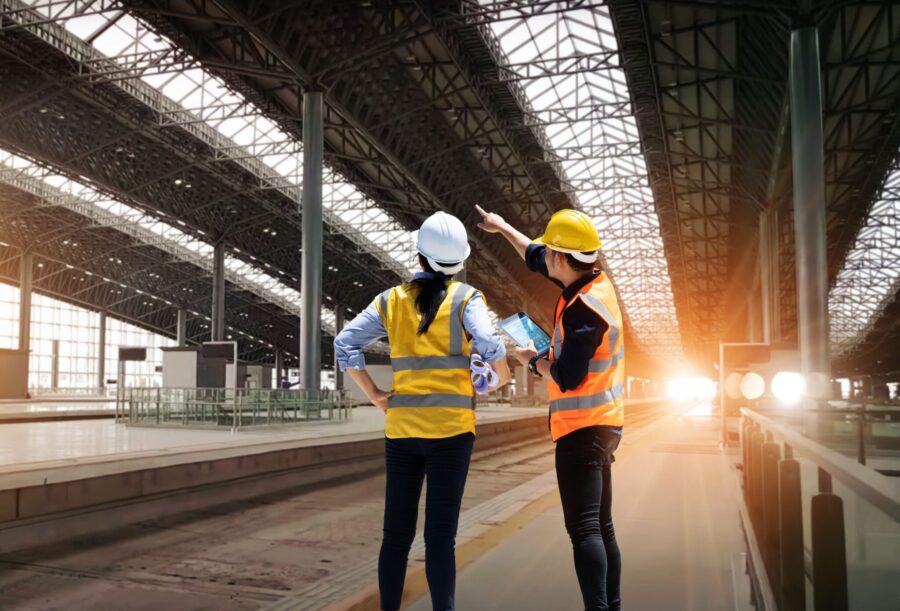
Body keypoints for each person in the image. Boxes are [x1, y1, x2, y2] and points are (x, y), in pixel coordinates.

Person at [334, 211, 510, 611]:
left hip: (402, 433)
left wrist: (376, 395)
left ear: (419, 257)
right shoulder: (467, 298)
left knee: (395, 536)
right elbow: (489, 341)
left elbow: (345, 343)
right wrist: (499, 373)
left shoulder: (391, 301)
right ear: (459, 262)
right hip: (452, 434)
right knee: (440, 538)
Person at [476, 205, 625, 611]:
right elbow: (532, 254)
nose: (544, 257)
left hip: (581, 428)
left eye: (550, 252)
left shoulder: (583, 312)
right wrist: (501, 225)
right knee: (602, 526)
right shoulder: (593, 282)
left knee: (584, 529)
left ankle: (597, 606)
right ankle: (611, 604)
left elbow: (570, 375)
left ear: (563, 258)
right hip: (605, 422)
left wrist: (533, 361)